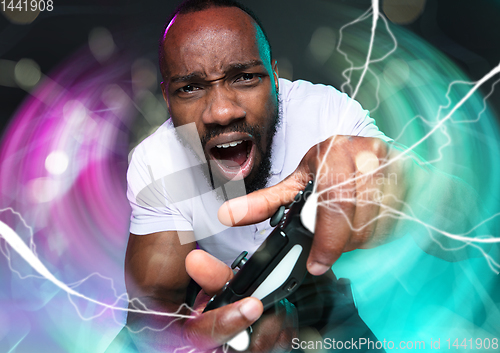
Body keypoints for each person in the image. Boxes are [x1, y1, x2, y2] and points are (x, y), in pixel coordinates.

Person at [110, 0, 486, 352]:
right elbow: (150, 308)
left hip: (315, 289)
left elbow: (461, 225)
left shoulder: (325, 115)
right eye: (190, 87)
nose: (222, 111)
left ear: (275, 77)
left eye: (244, 78)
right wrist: (192, 339)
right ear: (167, 97)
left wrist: (410, 188)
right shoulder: (158, 160)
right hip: (224, 290)